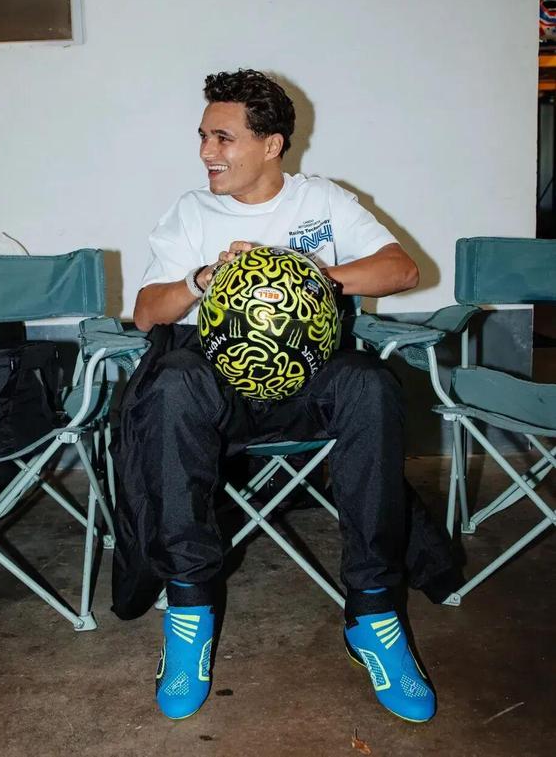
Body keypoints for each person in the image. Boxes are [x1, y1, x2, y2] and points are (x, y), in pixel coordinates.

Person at [111, 69, 459, 723]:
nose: (206, 152)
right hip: (219, 390)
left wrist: (305, 274)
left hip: (309, 383)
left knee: (371, 383)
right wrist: (205, 277)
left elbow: (403, 269)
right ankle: (189, 611)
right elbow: (147, 313)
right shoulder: (192, 212)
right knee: (172, 380)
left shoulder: (321, 200)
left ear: (271, 145)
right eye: (203, 136)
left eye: (223, 138)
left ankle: (373, 616)